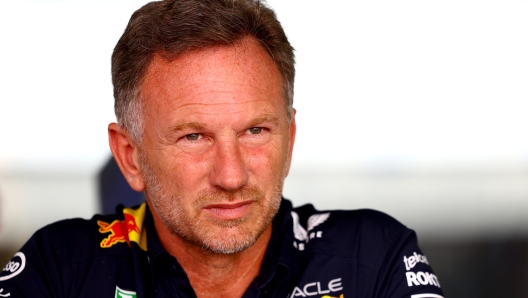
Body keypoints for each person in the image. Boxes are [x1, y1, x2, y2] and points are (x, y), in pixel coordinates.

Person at [0, 0, 444, 297]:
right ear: (130, 156)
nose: (231, 176)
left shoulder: (372, 256)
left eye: (255, 131)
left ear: (289, 139)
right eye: (194, 137)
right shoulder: (61, 269)